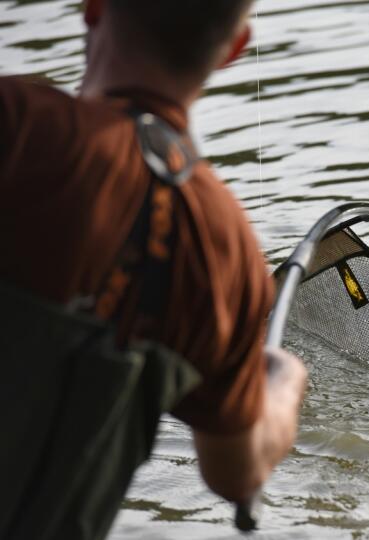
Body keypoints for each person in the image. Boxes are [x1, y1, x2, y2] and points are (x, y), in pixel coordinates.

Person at [0, 0, 306, 536]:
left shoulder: (19, 125)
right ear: (234, 49)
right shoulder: (228, 254)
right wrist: (282, 383)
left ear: (94, 9)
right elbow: (238, 472)